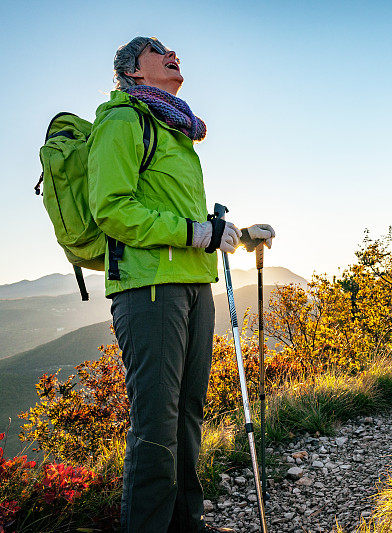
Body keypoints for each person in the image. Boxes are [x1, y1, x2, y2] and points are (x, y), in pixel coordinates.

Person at [87, 36, 274, 532]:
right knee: (156, 423)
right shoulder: (123, 121)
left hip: (193, 285)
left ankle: (185, 524)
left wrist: (232, 234)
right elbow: (111, 209)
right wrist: (195, 232)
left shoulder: (173, 131)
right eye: (156, 49)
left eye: (172, 48)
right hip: (149, 291)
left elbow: (181, 216)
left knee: (188, 414)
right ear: (133, 70)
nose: (173, 53)